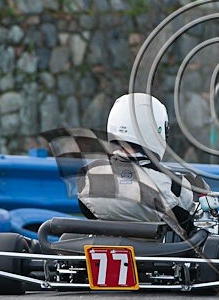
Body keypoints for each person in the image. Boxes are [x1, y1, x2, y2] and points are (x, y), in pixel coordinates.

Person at [78, 93, 198, 226]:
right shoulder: (173, 186)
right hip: (157, 246)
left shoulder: (89, 177)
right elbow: (189, 223)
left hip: (104, 245)